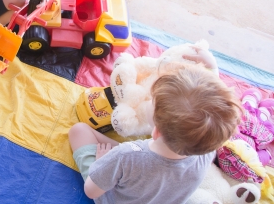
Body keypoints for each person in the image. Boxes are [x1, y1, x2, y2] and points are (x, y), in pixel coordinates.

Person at [68, 47, 241, 204]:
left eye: (152, 100)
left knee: (79, 131)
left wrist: (101, 163)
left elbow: (91, 191)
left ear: (155, 131)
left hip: (114, 196)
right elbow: (216, 105)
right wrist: (210, 66)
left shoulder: (126, 155)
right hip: (159, 187)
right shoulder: (206, 147)